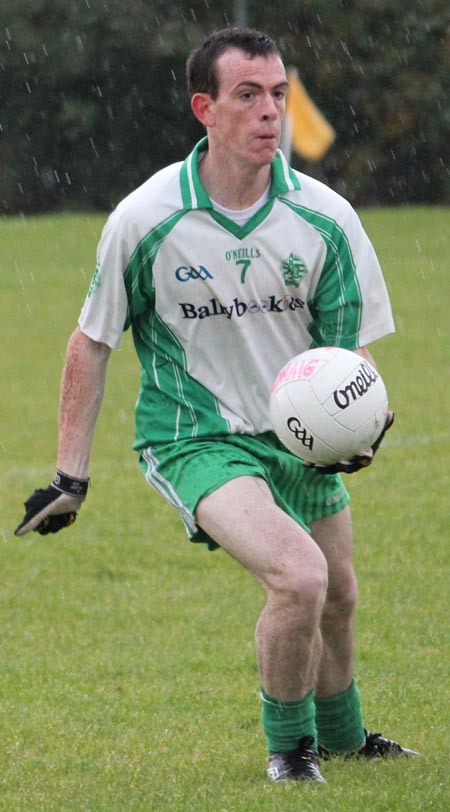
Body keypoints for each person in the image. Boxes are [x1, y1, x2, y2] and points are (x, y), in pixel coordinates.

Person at [15, 26, 418, 783]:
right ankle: (290, 751)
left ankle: (345, 735)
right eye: (248, 96)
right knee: (299, 578)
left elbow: (349, 357)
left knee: (339, 594)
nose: (270, 111)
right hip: (193, 437)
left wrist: (367, 424)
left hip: (299, 439)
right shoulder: (147, 217)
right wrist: (71, 477)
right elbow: (91, 342)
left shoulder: (327, 217)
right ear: (205, 108)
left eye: (277, 94)